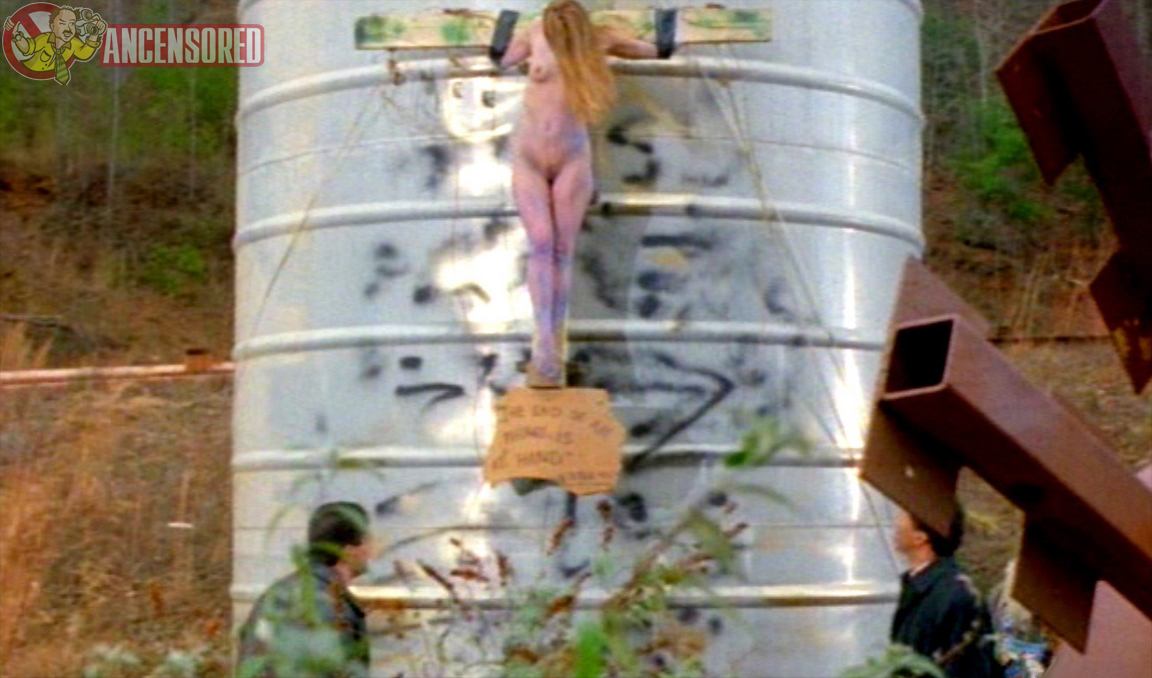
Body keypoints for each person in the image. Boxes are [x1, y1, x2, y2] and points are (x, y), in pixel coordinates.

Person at [494, 0, 672, 386]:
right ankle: (543, 335)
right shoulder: (535, 34)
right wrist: (491, 35)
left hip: (572, 157)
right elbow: (501, 59)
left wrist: (670, 28)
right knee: (541, 243)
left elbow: (652, 50)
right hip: (529, 156)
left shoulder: (598, 39)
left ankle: (554, 335)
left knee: (562, 250)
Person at [237, 502, 373, 677]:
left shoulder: (277, 593)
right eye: (366, 541)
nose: (370, 550)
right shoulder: (330, 606)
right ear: (348, 550)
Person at [890, 506, 1000, 677]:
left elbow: (967, 669)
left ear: (920, 537)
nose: (896, 522)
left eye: (904, 516)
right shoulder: (921, 586)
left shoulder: (956, 595)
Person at [4, 6, 106, 84]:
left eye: (72, 24)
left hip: (49, 84)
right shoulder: (44, 39)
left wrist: (94, 34)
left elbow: (84, 53)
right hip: (27, 74)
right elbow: (27, 48)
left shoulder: (74, 44)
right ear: (52, 27)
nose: (68, 29)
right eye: (62, 23)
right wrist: (17, 36)